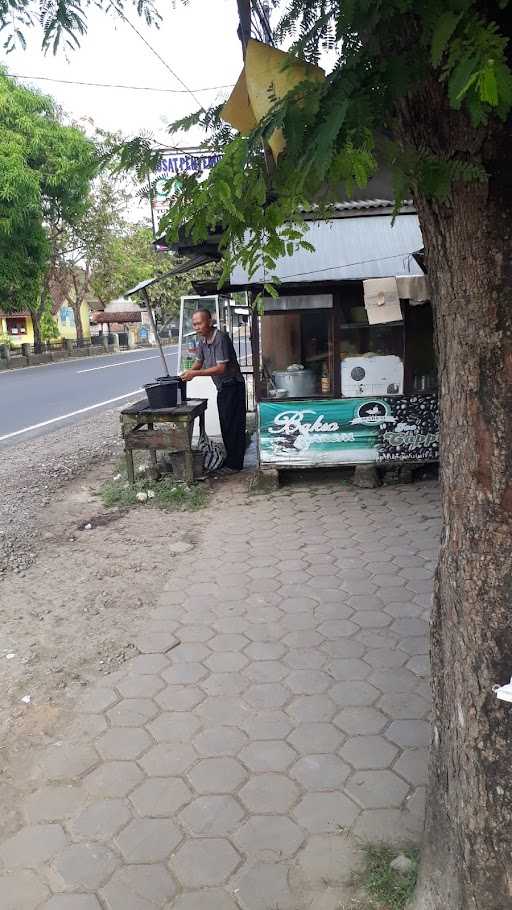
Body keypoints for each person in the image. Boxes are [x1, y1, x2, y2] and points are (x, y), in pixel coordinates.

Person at [180, 309, 246, 472]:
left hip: (233, 385)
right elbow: (199, 362)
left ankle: (235, 464)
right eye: (194, 324)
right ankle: (231, 461)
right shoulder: (203, 341)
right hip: (222, 387)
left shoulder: (220, 338)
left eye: (199, 323)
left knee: (233, 425)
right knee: (225, 423)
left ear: (210, 322)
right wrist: (187, 373)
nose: (196, 327)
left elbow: (221, 368)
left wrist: (195, 373)